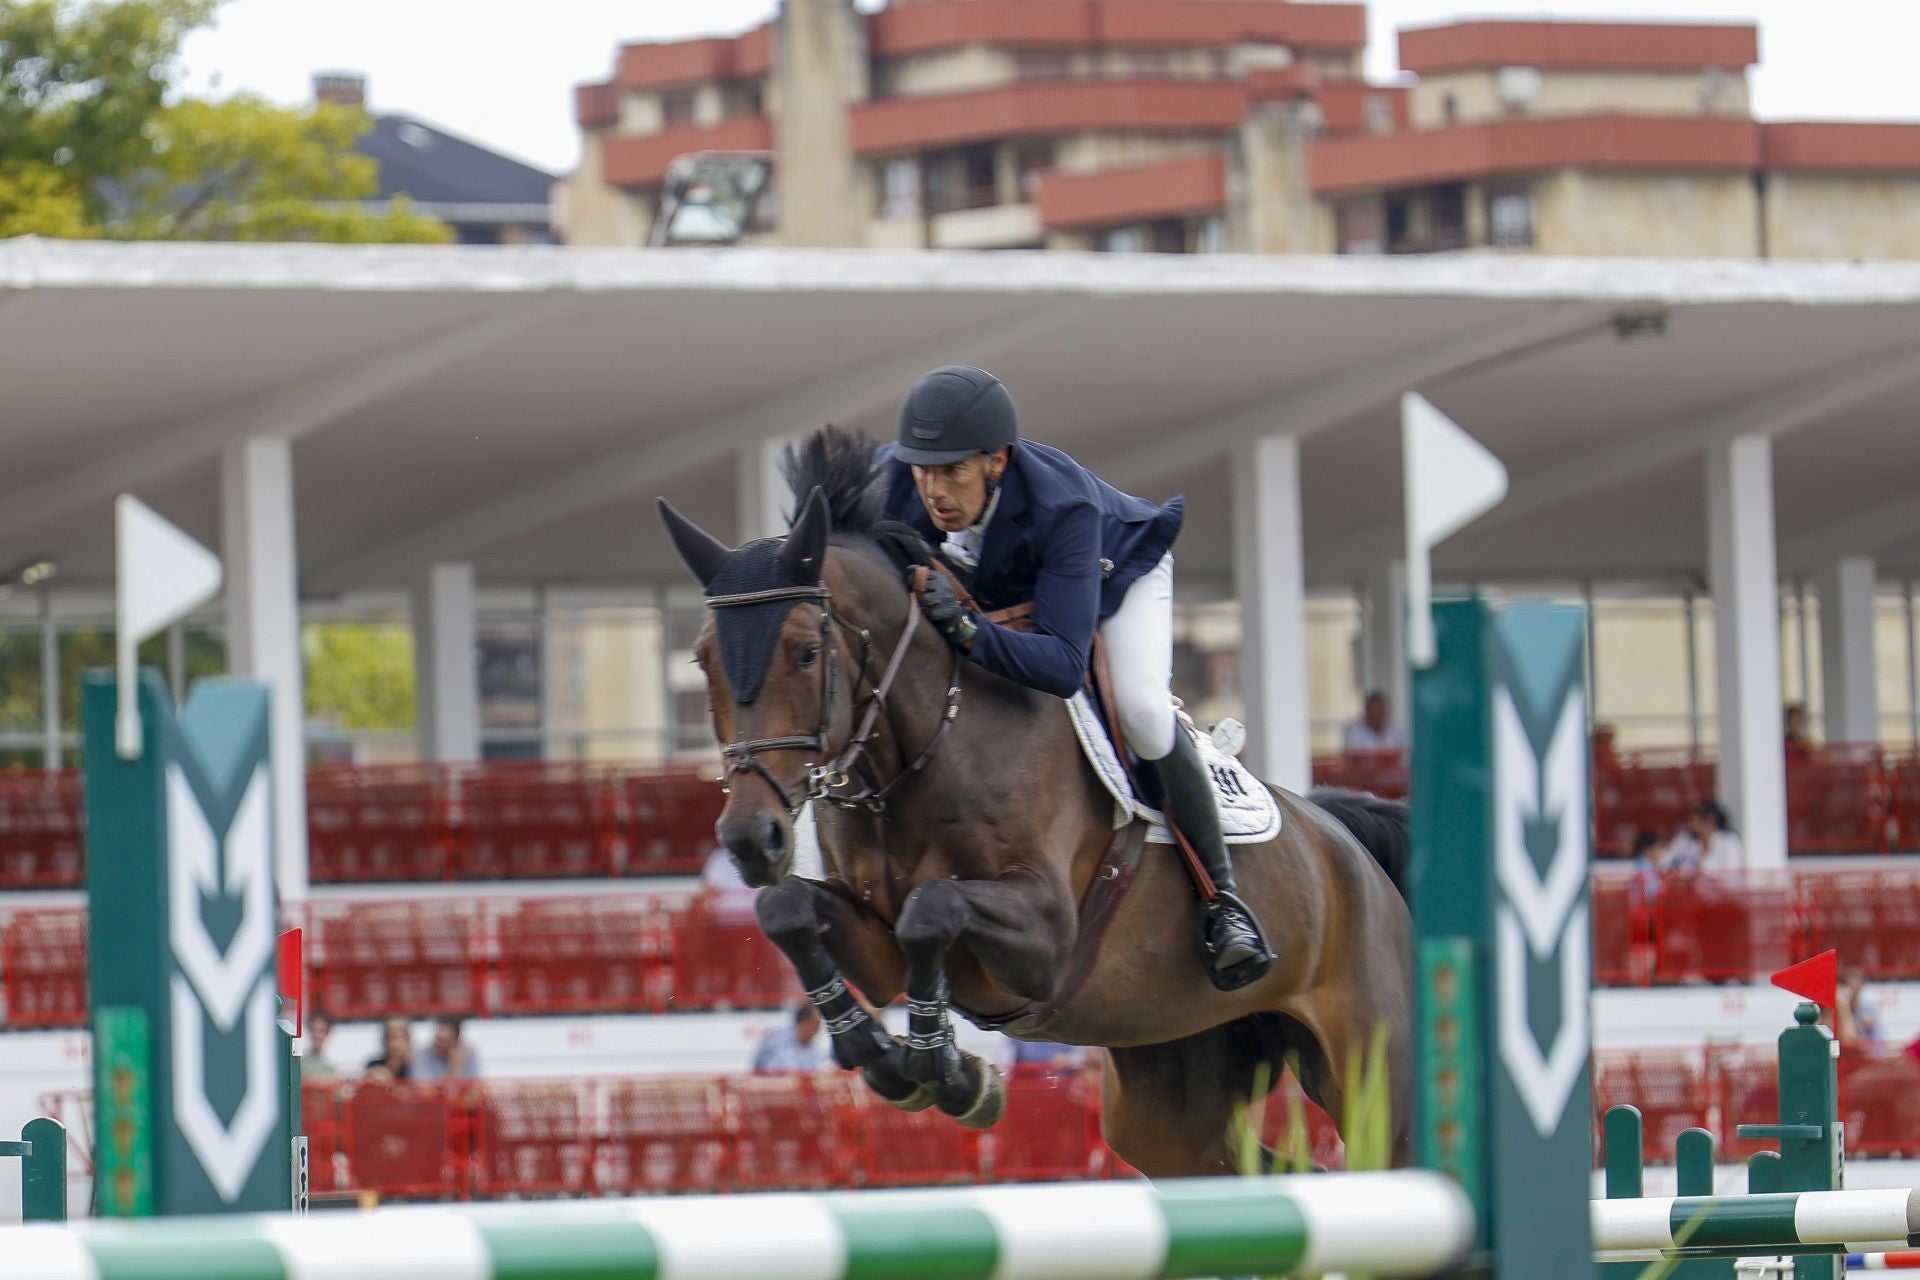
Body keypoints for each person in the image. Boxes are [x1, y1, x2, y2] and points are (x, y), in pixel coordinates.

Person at [881, 365, 1274, 991]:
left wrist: (969, 634)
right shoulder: (900, 482)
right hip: (1008, 591)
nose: (933, 490)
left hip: (1116, 577)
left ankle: (1223, 904)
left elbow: (1062, 665)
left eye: (953, 471)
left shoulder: (1066, 507)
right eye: (923, 470)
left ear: (997, 462)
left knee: (1144, 713)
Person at [1661, 800, 1744, 875]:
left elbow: (1732, 874)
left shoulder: (1729, 840)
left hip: (1721, 889)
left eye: (1693, 820)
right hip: (1688, 889)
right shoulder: (1684, 839)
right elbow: (1664, 862)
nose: (1690, 824)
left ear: (1711, 820)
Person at [752, 1005, 827, 1074]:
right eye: (815, 1026)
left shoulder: (813, 1049)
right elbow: (764, 1066)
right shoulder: (777, 1037)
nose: (817, 1031)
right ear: (804, 1022)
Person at [413, 1015, 479, 1081]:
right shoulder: (422, 1055)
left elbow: (474, 1085)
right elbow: (426, 1088)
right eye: (437, 1039)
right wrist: (454, 1066)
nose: (437, 1045)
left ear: (455, 1041)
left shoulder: (468, 1053)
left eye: (443, 1041)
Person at [1836, 968, 1884, 1054]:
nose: (1854, 992)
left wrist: (1844, 1006)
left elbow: (1850, 1037)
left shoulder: (1868, 1008)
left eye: (1857, 988)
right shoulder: (1838, 1005)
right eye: (1851, 988)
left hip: (1868, 1054)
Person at [1342, 691, 1406, 754]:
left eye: (1379, 711)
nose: (1376, 714)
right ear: (1367, 711)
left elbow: (1403, 758)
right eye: (1373, 712)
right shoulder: (1354, 731)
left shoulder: (1395, 729)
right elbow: (1351, 759)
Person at [364, 1016, 416, 1082]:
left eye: (396, 1038)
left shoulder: (415, 1067)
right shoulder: (374, 1065)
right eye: (388, 1038)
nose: (393, 1044)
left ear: (408, 1041)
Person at [300, 1010, 340, 1084]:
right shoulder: (300, 1063)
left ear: (327, 1033)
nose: (316, 1035)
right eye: (313, 1030)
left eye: (321, 1030)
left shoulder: (332, 1064)